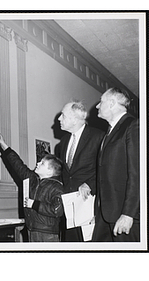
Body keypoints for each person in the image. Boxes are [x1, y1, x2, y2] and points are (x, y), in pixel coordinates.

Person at [0, 131, 64, 242]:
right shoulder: (32, 179)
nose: (37, 164)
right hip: (31, 230)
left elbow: (57, 210)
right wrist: (3, 145)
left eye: (42, 164)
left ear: (50, 171)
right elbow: (17, 164)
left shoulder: (57, 187)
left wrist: (34, 204)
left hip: (47, 234)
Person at [92, 87, 139, 242]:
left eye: (101, 102)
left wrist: (128, 214)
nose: (97, 106)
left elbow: (137, 174)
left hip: (123, 215)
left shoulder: (133, 126)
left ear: (112, 103)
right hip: (105, 215)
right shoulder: (108, 133)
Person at [58, 100, 104, 241]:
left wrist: (90, 183)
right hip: (69, 207)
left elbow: (106, 168)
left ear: (75, 118)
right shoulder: (63, 143)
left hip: (89, 204)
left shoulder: (99, 136)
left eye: (63, 115)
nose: (59, 118)